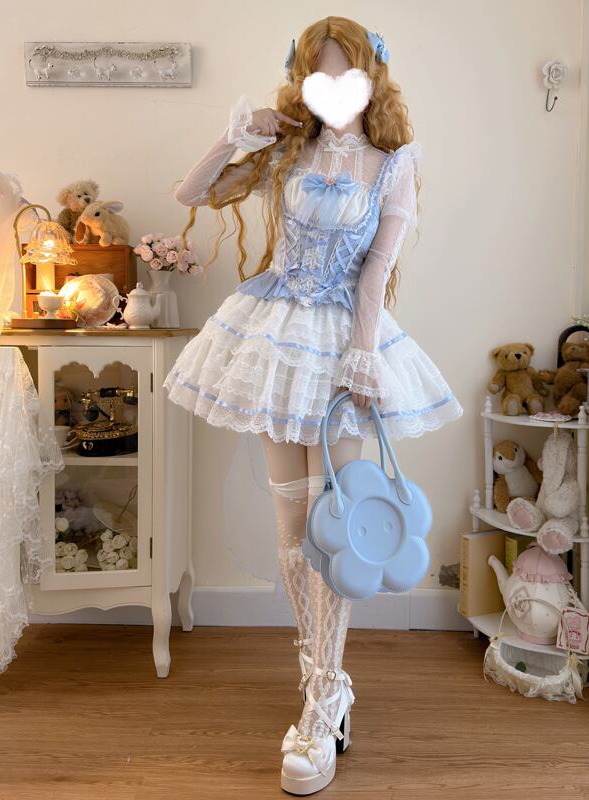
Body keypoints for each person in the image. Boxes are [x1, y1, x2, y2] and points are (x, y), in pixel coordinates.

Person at [165, 16, 462, 795]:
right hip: (275, 337)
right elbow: (191, 193)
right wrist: (238, 134)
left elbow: (375, 274)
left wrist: (362, 356)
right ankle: (321, 678)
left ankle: (324, 698)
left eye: (345, 73)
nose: (331, 87)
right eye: (316, 74)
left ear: (372, 80)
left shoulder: (392, 165)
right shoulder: (287, 150)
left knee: (339, 532)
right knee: (293, 532)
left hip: (340, 347)